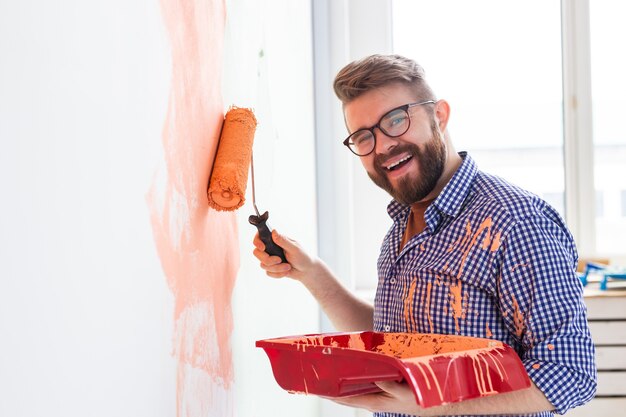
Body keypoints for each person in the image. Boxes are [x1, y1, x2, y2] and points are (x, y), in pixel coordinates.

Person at [252, 54, 597, 417]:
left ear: (440, 115)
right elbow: (394, 344)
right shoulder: (400, 230)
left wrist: (436, 407)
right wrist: (312, 274)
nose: (382, 146)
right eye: (363, 136)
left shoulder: (516, 223)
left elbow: (571, 376)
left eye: (396, 120)